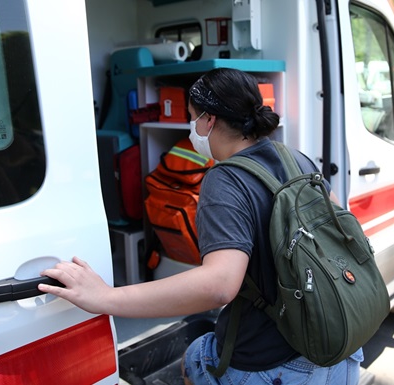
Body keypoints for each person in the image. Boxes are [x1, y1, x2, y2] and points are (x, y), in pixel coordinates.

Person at [38, 68, 362, 385]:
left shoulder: (225, 179)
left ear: (209, 120)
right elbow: (341, 227)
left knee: (195, 356)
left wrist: (106, 297)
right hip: (338, 343)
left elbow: (219, 284)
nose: (190, 127)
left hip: (275, 366)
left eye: (192, 117)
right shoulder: (295, 158)